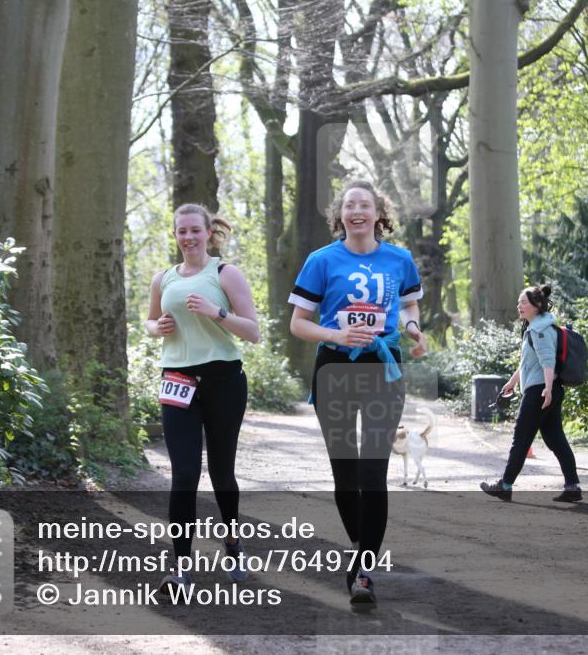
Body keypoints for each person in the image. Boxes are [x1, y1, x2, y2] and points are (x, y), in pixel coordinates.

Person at [288, 180, 427, 606]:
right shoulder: (321, 260)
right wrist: (337, 334)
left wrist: (413, 329)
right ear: (340, 215)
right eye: (349, 206)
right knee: (346, 476)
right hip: (335, 368)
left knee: (373, 473)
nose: (357, 211)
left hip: (383, 367)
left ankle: (363, 569)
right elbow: (298, 323)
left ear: (378, 213)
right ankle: (362, 549)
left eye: (364, 204)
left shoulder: (399, 259)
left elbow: (408, 305)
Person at [146, 203, 261, 595]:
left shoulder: (225, 273)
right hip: (176, 378)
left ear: (209, 232)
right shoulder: (163, 279)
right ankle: (180, 567)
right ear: (175, 234)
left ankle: (232, 541)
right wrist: (155, 326)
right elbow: (149, 321)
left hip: (223, 380)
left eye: (196, 230)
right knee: (183, 475)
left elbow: (253, 333)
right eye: (182, 231)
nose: (189, 237)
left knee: (221, 473)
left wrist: (218, 312)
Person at [480, 285, 582, 503]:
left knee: (521, 438)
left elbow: (547, 362)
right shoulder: (539, 327)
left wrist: (546, 389)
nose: (519, 305)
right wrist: (512, 382)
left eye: (523, 302)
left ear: (536, 306)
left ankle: (505, 485)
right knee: (555, 439)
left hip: (540, 391)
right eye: (519, 302)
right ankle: (573, 486)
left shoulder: (539, 330)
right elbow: (528, 363)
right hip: (547, 389)